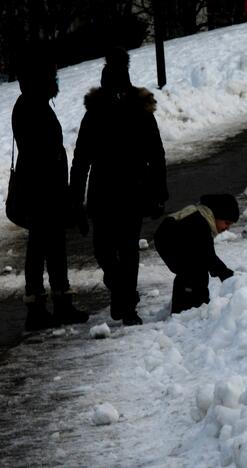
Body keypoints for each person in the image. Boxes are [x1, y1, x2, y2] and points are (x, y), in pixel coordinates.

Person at [70, 47, 168, 326]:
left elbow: (155, 153)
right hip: (115, 190)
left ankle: (125, 303)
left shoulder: (129, 112)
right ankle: (124, 295)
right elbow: (82, 158)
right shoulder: (102, 114)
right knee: (113, 249)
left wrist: (158, 191)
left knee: (119, 248)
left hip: (121, 190)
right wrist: (76, 199)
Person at [11, 43, 88, 331]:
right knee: (42, 247)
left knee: (50, 247)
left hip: (44, 189)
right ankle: (40, 308)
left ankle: (52, 304)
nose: (56, 79)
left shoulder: (32, 103)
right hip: (42, 191)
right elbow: (39, 151)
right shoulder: (32, 106)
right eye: (51, 75)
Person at [154, 194, 239, 314]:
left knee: (196, 269)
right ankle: (187, 309)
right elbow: (208, 255)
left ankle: (196, 303)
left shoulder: (203, 218)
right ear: (217, 215)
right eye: (226, 222)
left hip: (175, 240)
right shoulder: (199, 223)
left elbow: (206, 254)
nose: (227, 228)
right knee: (193, 272)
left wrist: (221, 272)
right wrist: (225, 274)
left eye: (230, 225)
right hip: (168, 241)